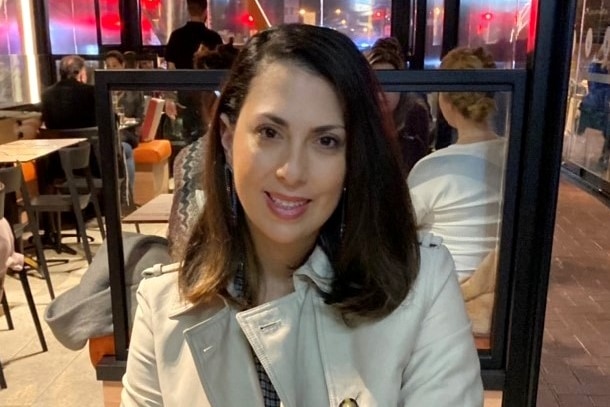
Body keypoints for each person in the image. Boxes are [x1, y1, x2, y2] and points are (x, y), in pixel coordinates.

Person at [121, 24, 483, 406]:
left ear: (353, 157)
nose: (292, 171)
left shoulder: (421, 284)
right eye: (269, 133)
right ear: (227, 138)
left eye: (326, 141)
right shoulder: (163, 308)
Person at [407, 46, 506, 282]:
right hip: (499, 286)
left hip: (443, 290)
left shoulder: (432, 168)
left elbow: (399, 228)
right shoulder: (514, 156)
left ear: (446, 102)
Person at [365, 37, 432, 174]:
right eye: (376, 85)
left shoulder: (414, 117)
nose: (382, 93)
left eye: (390, 85)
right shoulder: (358, 120)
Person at [164, 0, 223, 143]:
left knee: (187, 134)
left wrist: (170, 97)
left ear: (188, 11)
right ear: (205, 12)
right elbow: (219, 70)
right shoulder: (213, 38)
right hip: (206, 94)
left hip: (183, 91)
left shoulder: (176, 36)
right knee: (208, 134)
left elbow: (170, 68)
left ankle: (188, 159)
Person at [103, 50, 141, 209]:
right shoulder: (102, 89)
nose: (111, 69)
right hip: (109, 134)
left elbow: (140, 118)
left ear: (123, 65)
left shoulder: (133, 90)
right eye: (108, 66)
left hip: (128, 134)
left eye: (115, 65)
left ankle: (126, 199)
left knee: (123, 148)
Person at [41, 55, 95, 129]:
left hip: (55, 139)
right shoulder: (92, 92)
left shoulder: (46, 94)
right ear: (81, 74)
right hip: (88, 138)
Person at [577, 48, 610, 170]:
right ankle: (603, 158)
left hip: (593, 104)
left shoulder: (594, 66)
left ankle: (601, 158)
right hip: (601, 106)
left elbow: (592, 85)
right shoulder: (601, 69)